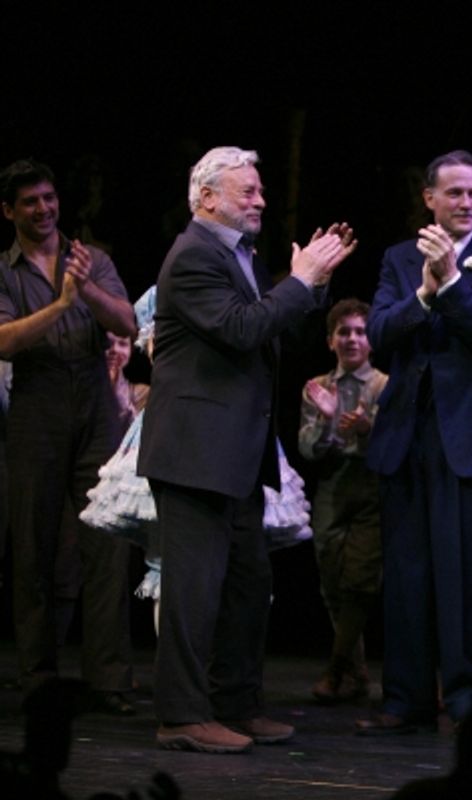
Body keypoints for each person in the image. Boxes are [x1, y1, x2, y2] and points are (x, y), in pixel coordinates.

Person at [138, 146, 356, 753]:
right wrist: (300, 281)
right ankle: (182, 715)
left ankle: (236, 704)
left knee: (246, 588)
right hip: (194, 452)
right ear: (207, 197)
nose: (261, 200)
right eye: (248, 192)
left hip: (233, 452)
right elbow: (241, 330)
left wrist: (314, 285)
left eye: (260, 190)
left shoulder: (239, 256)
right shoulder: (193, 256)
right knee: (193, 591)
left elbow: (274, 331)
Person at [357, 150, 472, 734]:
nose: (466, 203)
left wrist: (452, 282)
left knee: (469, 574)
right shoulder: (399, 258)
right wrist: (424, 294)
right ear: (429, 198)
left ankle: (468, 700)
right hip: (407, 432)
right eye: (454, 193)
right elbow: (379, 335)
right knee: (406, 572)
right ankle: (404, 698)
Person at [0, 158, 137, 715]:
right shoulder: (5, 272)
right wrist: (60, 304)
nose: (44, 209)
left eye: (49, 198)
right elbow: (3, 341)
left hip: (93, 396)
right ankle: (38, 674)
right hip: (37, 399)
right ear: (9, 211)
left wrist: (85, 292)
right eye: (30, 201)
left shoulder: (91, 259)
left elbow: (126, 322)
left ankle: (110, 679)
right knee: (33, 543)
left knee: (106, 540)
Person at [299, 298, 388, 704]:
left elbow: (395, 444)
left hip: (371, 486)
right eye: (344, 332)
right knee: (332, 580)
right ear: (330, 340)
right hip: (333, 485)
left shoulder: (384, 385)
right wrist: (325, 419)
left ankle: (336, 670)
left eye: (360, 332)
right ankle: (356, 671)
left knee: (360, 580)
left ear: (371, 340)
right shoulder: (318, 386)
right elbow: (307, 449)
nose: (352, 339)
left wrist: (368, 430)